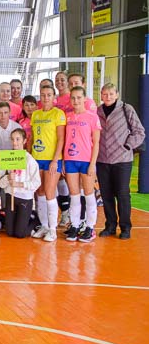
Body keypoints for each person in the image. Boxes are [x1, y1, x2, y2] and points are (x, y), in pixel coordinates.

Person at [97, 83, 146, 239]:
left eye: (111, 94)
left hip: (122, 159)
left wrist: (127, 145)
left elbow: (139, 132)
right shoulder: (97, 111)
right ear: (101, 95)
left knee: (123, 194)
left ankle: (125, 227)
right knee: (106, 195)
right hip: (102, 160)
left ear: (117, 94)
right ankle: (110, 226)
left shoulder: (127, 109)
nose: (108, 97)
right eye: (105, 94)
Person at [63, 87, 101, 243]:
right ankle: (75, 225)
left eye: (79, 97)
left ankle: (90, 227)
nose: (76, 101)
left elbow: (96, 142)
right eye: (73, 98)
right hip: (70, 160)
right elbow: (65, 139)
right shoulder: (67, 117)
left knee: (89, 194)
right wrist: (64, 161)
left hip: (86, 160)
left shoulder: (92, 117)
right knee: (74, 195)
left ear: (84, 99)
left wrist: (92, 164)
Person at [30, 84, 66, 242]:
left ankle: (53, 229)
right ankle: (44, 225)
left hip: (52, 160)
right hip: (38, 159)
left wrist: (55, 160)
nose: (45, 97)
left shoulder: (58, 114)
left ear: (54, 97)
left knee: (51, 193)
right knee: (40, 193)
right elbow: (32, 137)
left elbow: (61, 138)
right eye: (43, 95)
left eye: (49, 95)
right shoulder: (36, 115)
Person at [0, 129, 41, 238]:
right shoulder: (7, 158)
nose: (15, 142)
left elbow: (36, 183)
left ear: (24, 141)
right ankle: (6, 216)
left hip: (24, 199)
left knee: (20, 234)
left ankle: (35, 220)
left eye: (18, 139)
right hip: (10, 196)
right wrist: (7, 178)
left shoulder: (30, 160)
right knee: (9, 232)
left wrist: (20, 184)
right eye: (12, 139)